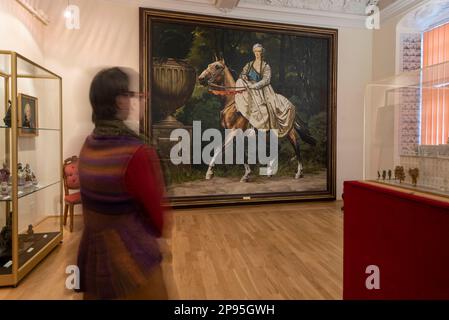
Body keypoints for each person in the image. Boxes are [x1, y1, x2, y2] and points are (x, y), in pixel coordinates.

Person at [77, 67, 169, 300]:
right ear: (118, 101)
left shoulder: (88, 145)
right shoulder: (135, 152)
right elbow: (157, 218)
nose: (133, 99)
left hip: (92, 258)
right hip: (131, 260)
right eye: (130, 94)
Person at [235, 43, 296, 138]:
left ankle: (258, 126)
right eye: (255, 51)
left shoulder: (265, 66)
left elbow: (266, 80)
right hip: (249, 87)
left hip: (262, 89)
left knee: (263, 105)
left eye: (259, 52)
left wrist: (255, 85)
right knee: (239, 83)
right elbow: (242, 74)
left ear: (262, 52)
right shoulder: (249, 64)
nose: (257, 54)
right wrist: (244, 77)